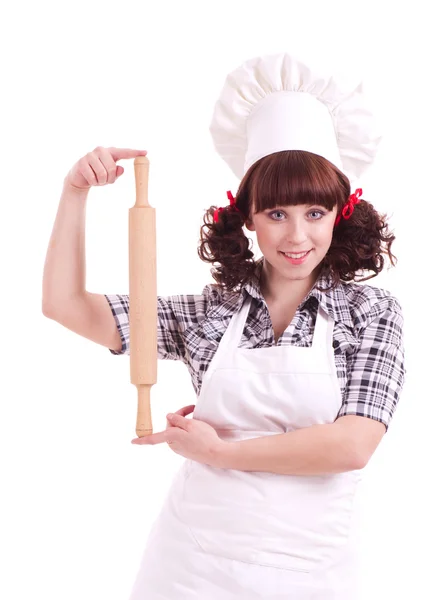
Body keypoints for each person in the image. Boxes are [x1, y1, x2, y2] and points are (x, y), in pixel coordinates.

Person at [42, 53, 406, 599]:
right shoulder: (208, 314)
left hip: (312, 572)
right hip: (190, 567)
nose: (296, 236)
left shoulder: (371, 313)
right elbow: (65, 304)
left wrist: (221, 453)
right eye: (276, 214)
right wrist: (75, 194)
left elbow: (351, 445)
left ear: (340, 213)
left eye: (315, 213)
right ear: (249, 216)